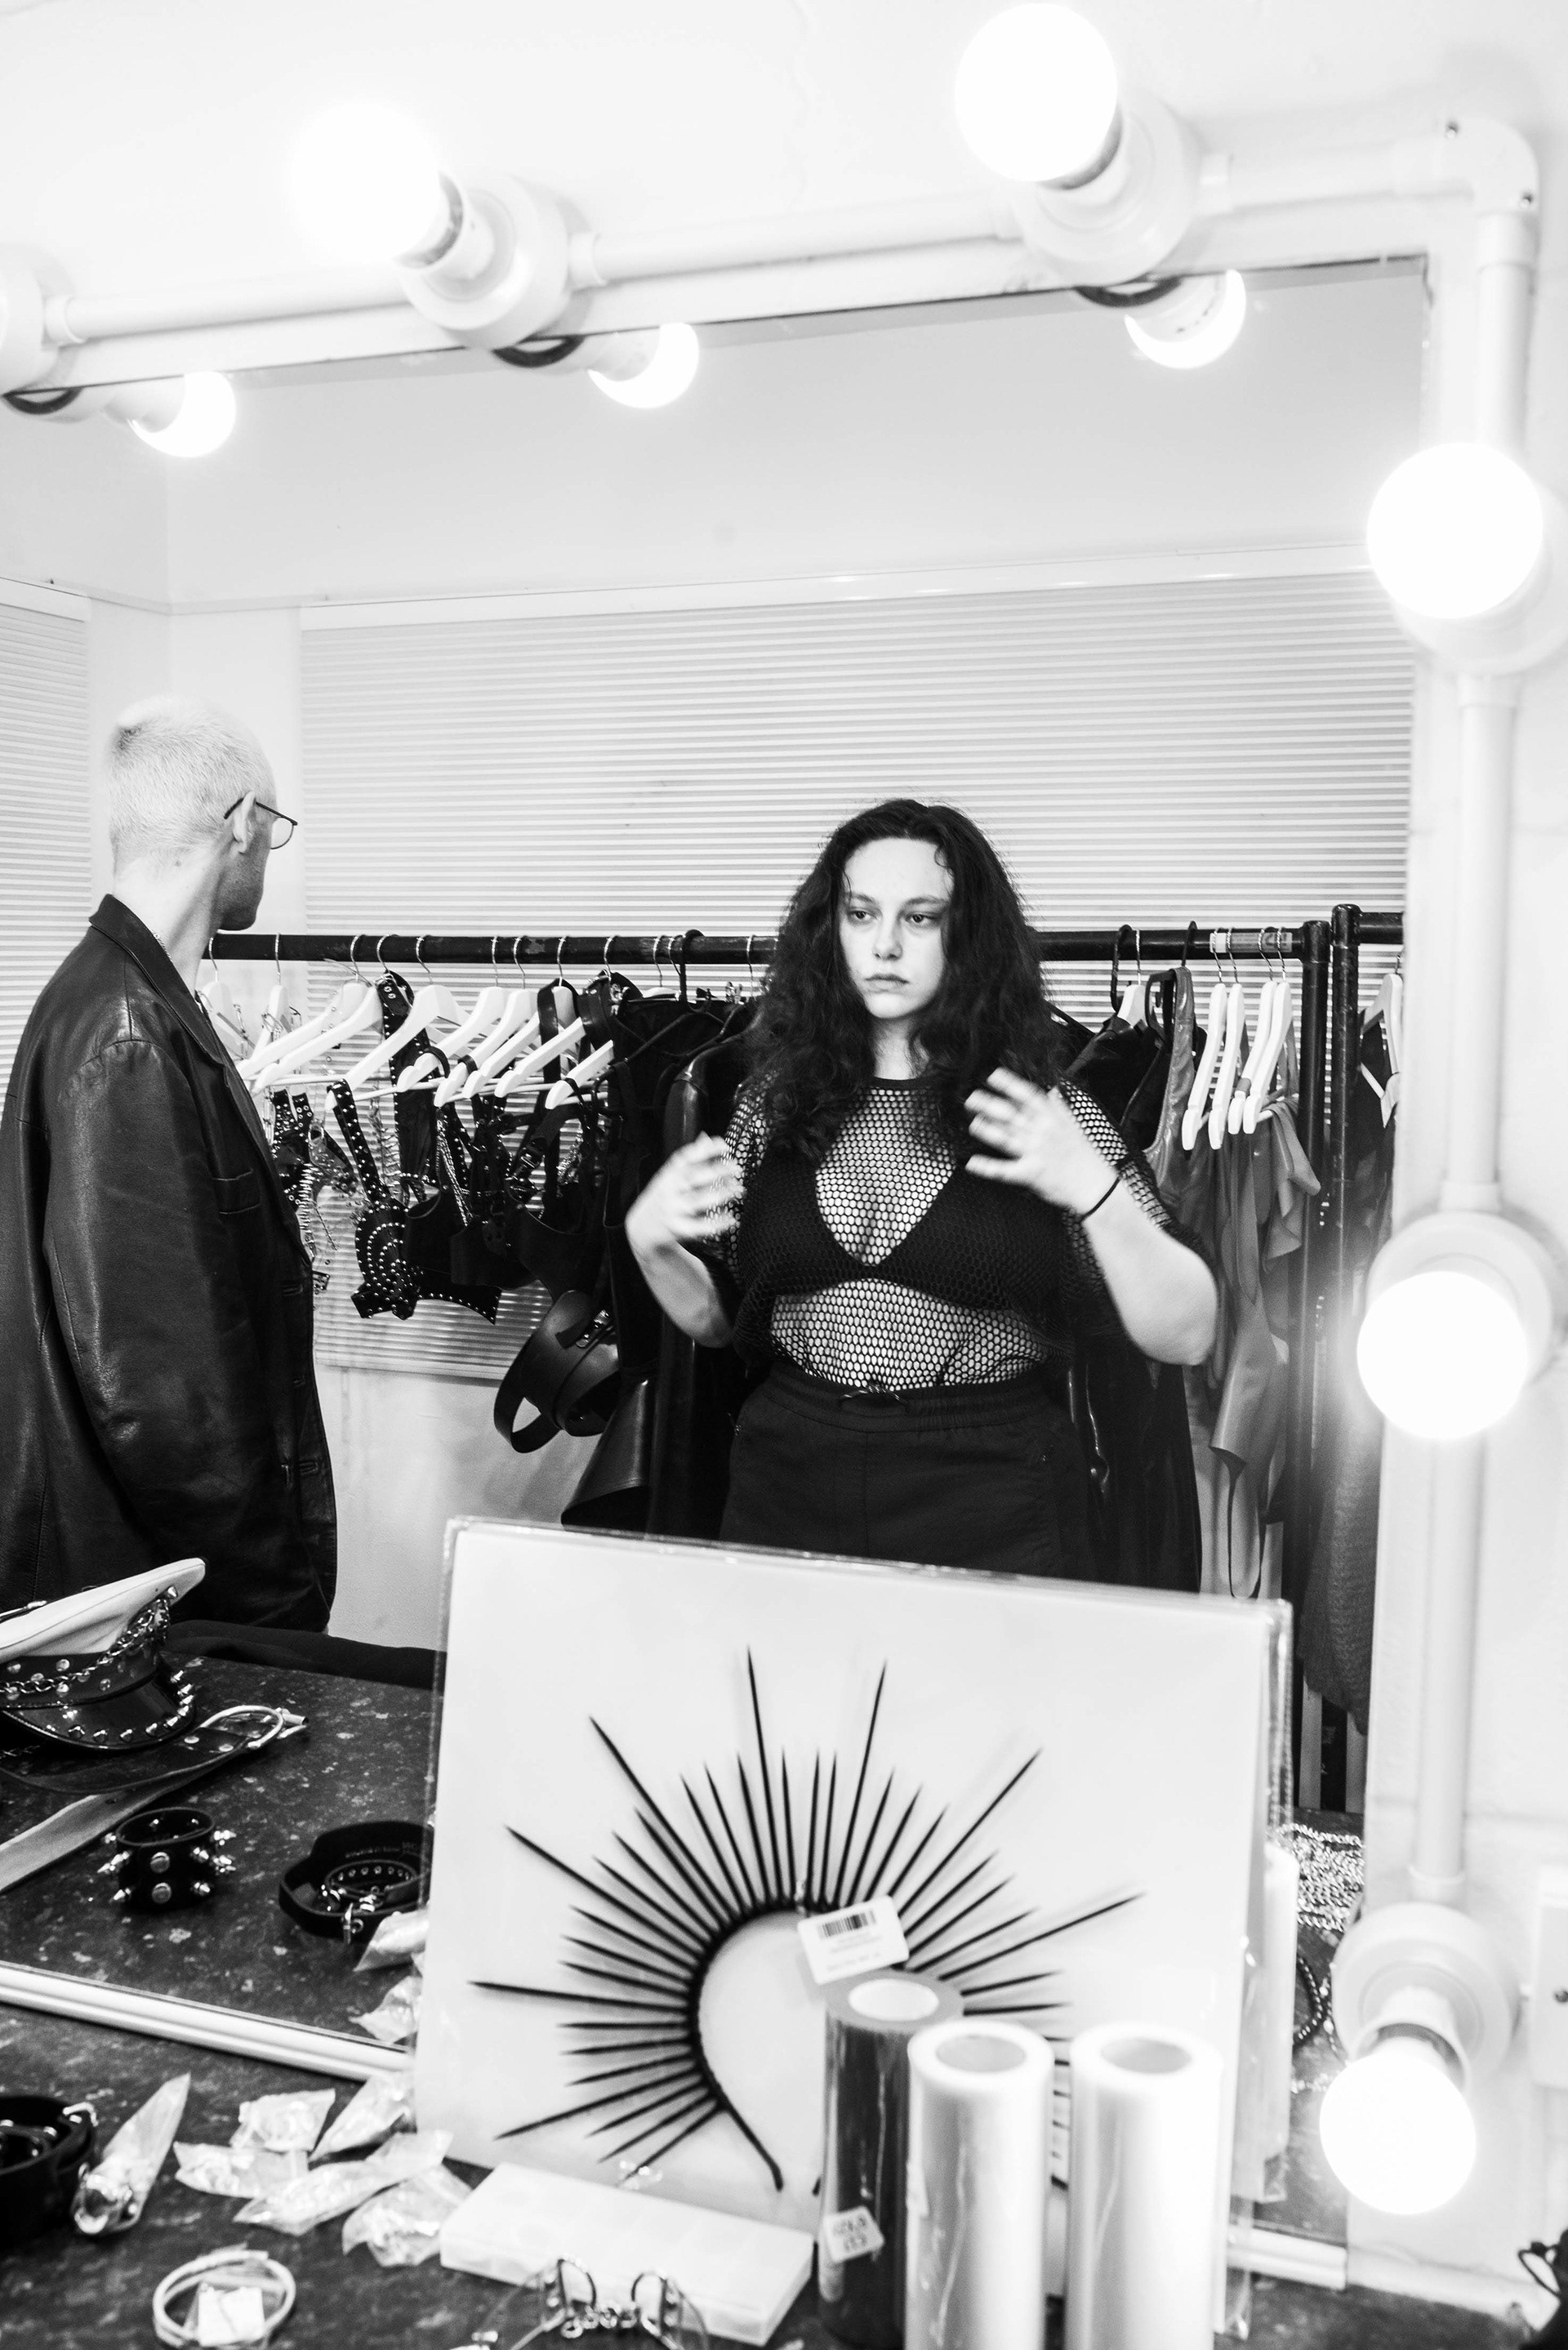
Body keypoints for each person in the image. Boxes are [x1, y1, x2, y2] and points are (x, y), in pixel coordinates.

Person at [626, 799, 1217, 1577]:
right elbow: (718, 1323)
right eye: (861, 914)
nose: (886, 945)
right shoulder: (773, 1104)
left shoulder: (1038, 1109)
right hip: (787, 1478)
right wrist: (651, 1244)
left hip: (990, 1497)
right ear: (830, 931)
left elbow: (1188, 1333)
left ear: (967, 936)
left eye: (921, 917)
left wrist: (1093, 1189)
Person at [0, 696, 336, 1627]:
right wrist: (274, 1604)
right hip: (148, 1596)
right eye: (274, 827)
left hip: (136, 1573)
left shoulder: (119, 999)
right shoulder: (127, 1032)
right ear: (243, 821)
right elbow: (164, 1393)